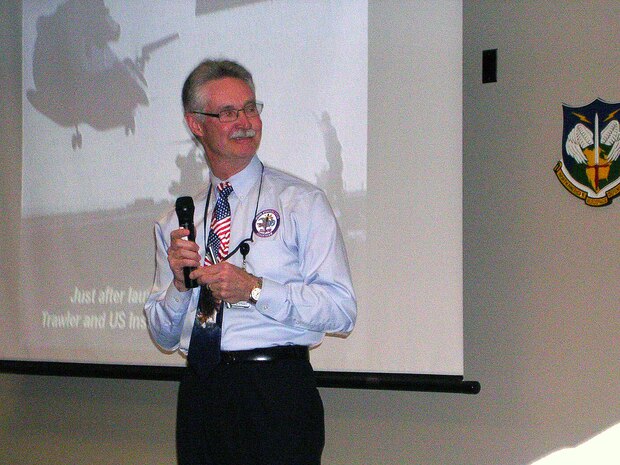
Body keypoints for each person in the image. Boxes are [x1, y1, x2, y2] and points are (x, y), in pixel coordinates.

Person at [144, 59, 357, 465]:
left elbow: (342, 310)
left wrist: (256, 290)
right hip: (201, 392)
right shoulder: (175, 222)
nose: (245, 121)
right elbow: (164, 337)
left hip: (275, 390)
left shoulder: (301, 202)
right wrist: (178, 287)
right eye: (228, 112)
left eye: (251, 108)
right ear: (195, 124)